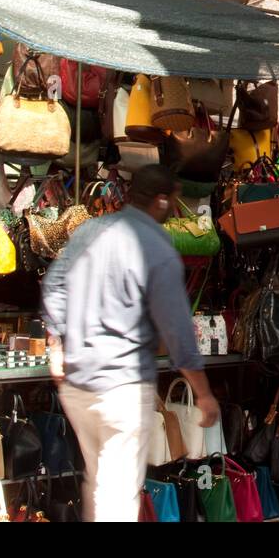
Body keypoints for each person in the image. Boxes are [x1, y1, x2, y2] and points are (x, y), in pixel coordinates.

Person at [41, 164, 219, 522]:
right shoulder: (157, 248)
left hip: (78, 383)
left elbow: (54, 284)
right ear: (161, 200)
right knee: (117, 493)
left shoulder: (91, 230)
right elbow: (177, 329)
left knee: (100, 482)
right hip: (122, 386)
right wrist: (202, 392)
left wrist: (56, 343)